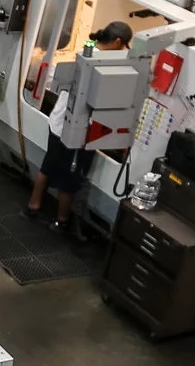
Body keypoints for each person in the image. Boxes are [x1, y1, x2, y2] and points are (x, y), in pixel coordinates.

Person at [28, 20, 134, 229]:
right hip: (78, 130)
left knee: (48, 166)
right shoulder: (104, 65)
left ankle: (33, 206)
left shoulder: (85, 52)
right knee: (71, 179)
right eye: (124, 47)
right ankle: (62, 220)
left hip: (59, 122)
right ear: (118, 42)